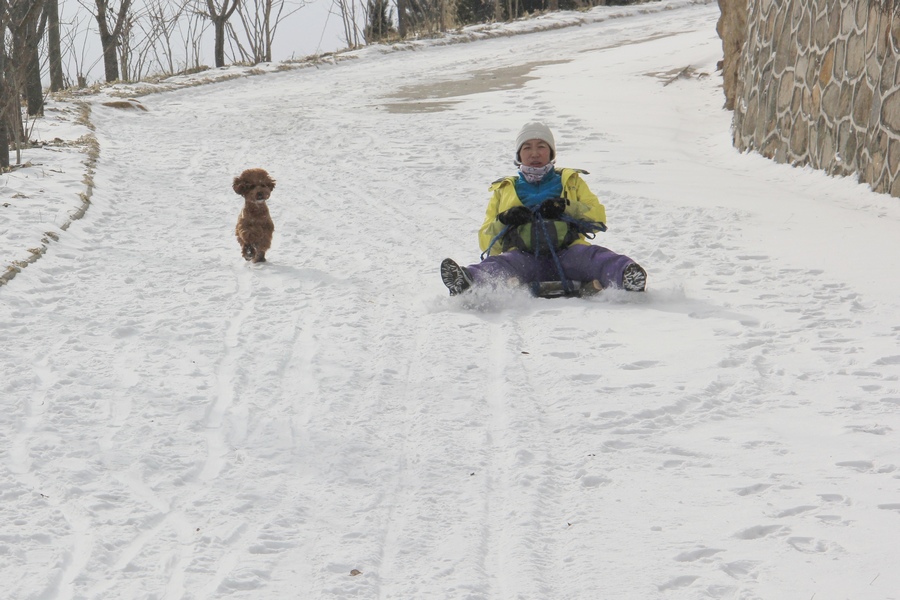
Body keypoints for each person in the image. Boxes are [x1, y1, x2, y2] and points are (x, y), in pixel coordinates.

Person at [440, 121, 647, 296]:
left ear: (551, 152)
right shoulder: (504, 189)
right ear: (519, 154)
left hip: (568, 253)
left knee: (596, 257)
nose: (534, 153)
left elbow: (598, 218)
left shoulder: (570, 181)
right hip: (524, 257)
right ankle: (467, 281)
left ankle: (627, 275)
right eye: (527, 147)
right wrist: (504, 219)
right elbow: (486, 239)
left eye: (541, 146)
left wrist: (566, 207)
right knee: (501, 265)